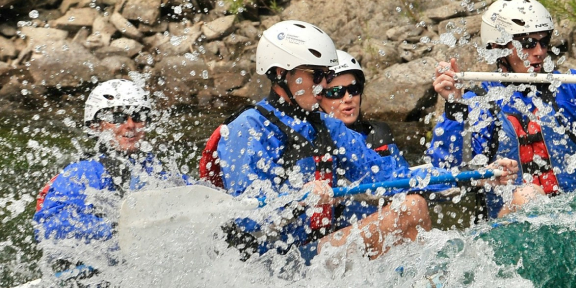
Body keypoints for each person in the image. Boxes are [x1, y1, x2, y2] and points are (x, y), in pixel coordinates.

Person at [205, 20, 517, 264]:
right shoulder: (247, 128)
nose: (323, 85)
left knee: (411, 203)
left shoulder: (327, 127)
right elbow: (247, 216)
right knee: (410, 209)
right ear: (279, 73)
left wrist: (478, 175)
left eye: (326, 75)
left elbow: (394, 178)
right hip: (274, 262)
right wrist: (299, 199)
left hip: (318, 250)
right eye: (316, 76)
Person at [426, 0, 576, 218]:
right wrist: (455, 107)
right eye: (528, 43)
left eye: (544, 41)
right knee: (528, 194)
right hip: (508, 225)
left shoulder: (569, 87)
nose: (539, 51)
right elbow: (445, 174)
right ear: (498, 47)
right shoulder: (480, 103)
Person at [34, 78, 191, 288]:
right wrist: (118, 230)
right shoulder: (83, 172)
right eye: (118, 117)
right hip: (93, 286)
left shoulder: (152, 169)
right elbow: (50, 227)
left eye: (138, 116)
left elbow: (192, 193)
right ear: (96, 126)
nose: (130, 125)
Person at [319, 50, 408, 161]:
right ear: (318, 99)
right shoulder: (309, 142)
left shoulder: (377, 134)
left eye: (354, 89)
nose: (348, 98)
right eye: (336, 92)